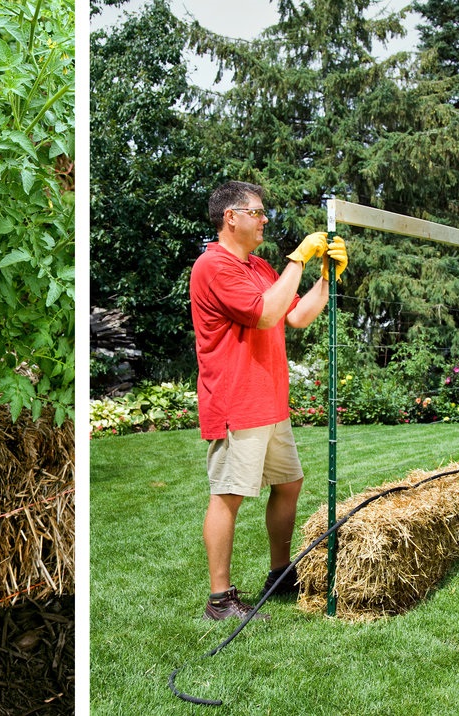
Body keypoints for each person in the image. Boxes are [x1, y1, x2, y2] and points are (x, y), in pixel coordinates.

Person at [189, 181, 348, 620]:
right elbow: (265, 313)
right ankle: (219, 600)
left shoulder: (258, 266)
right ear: (231, 217)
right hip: (236, 402)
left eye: (264, 213)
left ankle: (280, 575)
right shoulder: (214, 266)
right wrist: (299, 258)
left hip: (270, 401)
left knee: (289, 483)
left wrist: (325, 279)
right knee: (228, 496)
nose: (264, 220)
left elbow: (294, 315)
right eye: (257, 213)